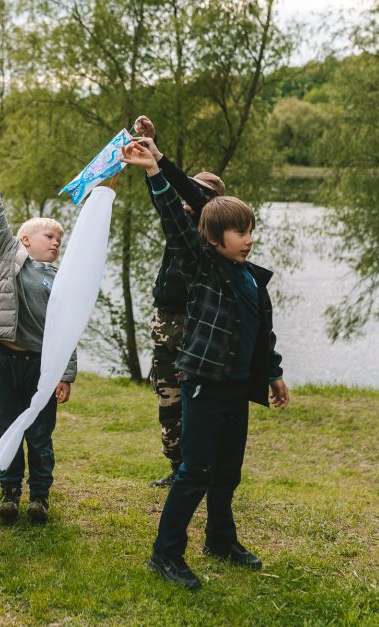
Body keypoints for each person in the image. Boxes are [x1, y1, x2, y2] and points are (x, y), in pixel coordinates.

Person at [120, 141, 290, 590]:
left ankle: (220, 539)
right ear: (214, 238)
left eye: (251, 230)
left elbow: (261, 332)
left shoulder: (252, 278)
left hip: (237, 386)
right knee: (194, 470)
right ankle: (166, 554)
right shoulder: (202, 265)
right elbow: (179, 219)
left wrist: (273, 374)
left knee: (228, 471)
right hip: (203, 384)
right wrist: (156, 172)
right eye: (240, 232)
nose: (249, 239)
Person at [0, 142, 76, 524]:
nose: (56, 243)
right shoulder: (10, 257)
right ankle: (9, 492)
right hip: (6, 361)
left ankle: (40, 497)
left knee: (39, 436)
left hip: (43, 366)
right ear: (25, 241)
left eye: (60, 239)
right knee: (7, 428)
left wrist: (66, 374)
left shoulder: (62, 280)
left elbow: (68, 329)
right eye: (49, 237)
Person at [132, 115, 227, 488]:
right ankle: (177, 469)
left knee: (195, 401)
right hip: (165, 323)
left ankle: (203, 470)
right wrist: (151, 152)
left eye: (197, 193)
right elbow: (166, 202)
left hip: (193, 325)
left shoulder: (212, 230)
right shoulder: (178, 223)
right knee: (167, 399)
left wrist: (163, 165)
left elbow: (186, 196)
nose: (189, 198)